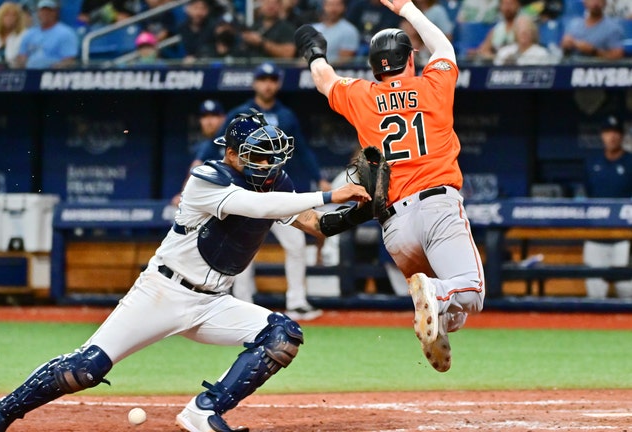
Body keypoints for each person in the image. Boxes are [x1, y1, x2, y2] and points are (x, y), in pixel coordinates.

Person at [0, 112, 371, 432]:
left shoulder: (275, 182)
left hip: (213, 302)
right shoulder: (207, 178)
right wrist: (331, 192)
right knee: (84, 369)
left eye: (270, 156)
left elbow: (315, 224)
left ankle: (203, 412)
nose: (267, 164)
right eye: (256, 156)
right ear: (231, 154)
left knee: (282, 336)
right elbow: (258, 207)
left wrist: (367, 207)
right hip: (162, 293)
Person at [294, 0, 485, 372]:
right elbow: (444, 48)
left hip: (395, 227)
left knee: (451, 308)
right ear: (409, 60)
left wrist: (313, 50)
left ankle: (440, 322)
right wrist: (406, 7)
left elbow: (323, 79)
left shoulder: (363, 94)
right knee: (471, 291)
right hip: (436, 206)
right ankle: (438, 295)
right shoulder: (433, 86)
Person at [196, 62, 332, 321]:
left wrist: (319, 178)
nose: (267, 84)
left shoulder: (287, 116)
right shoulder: (241, 113)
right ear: (255, 82)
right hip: (246, 193)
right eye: (263, 79)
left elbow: (302, 150)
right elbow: (218, 146)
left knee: (296, 244)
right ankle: (242, 302)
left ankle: (296, 301)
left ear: (278, 83)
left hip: (277, 190)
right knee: (241, 247)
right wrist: (199, 164)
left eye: (272, 79)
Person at [582, 114, 632, 299]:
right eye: (608, 132)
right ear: (602, 135)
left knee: (627, 290)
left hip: (624, 236)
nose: (612, 136)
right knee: (595, 292)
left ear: (622, 136)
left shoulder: (630, 162)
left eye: (616, 132)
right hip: (596, 234)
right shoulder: (592, 163)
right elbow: (588, 195)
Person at [171, 98, 227, 206]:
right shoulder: (202, 147)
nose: (209, 122)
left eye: (214, 116)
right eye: (205, 117)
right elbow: (195, 170)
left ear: (223, 119)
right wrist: (184, 195)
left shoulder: (232, 141)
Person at [14, 0, 78, 69]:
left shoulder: (66, 33)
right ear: (38, 13)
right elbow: (22, 56)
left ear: (55, 12)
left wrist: (54, 68)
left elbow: (69, 60)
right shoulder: (30, 33)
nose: (45, 13)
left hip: (51, 74)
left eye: (48, 11)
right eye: (42, 11)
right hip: (30, 73)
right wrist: (22, 63)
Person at [560, 0, 624, 61]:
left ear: (605, 3)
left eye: (599, 0)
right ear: (585, 3)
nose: (595, 3)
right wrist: (565, 45)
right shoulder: (574, 24)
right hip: (570, 67)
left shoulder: (613, 28)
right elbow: (562, 49)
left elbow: (617, 55)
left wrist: (593, 51)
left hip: (596, 69)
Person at [493, 14, 557, 64]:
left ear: (533, 32)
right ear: (515, 32)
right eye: (520, 30)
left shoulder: (542, 54)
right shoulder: (504, 52)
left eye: (527, 31)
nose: (523, 34)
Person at [311, 0, 360, 64]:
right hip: (309, 70)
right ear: (324, 6)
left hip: (335, 71)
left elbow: (343, 61)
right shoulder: (313, 28)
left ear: (344, 7)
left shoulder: (349, 30)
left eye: (337, 5)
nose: (333, 9)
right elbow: (306, 55)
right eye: (330, 5)